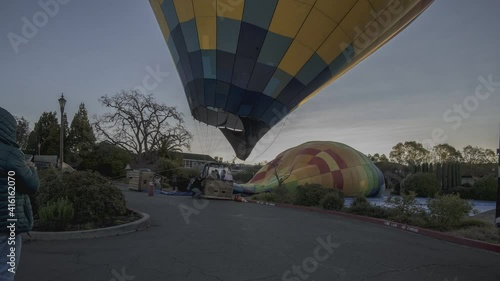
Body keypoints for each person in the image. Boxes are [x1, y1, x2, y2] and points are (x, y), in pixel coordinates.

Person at [0, 107, 40, 281]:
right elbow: (32, 185)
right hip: (7, 225)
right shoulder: (11, 154)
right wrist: (32, 169)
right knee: (6, 272)